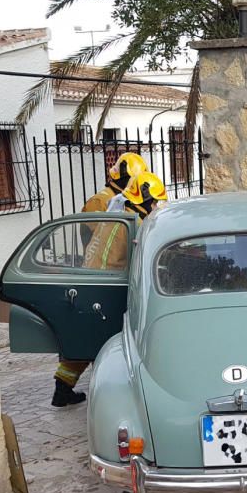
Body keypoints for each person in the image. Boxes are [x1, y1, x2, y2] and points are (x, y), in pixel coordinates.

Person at [52, 171, 168, 407]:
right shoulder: (136, 223)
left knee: (84, 338)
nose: (157, 206)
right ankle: (111, 395)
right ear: (145, 199)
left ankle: (62, 389)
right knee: (111, 341)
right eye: (156, 201)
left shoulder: (117, 214)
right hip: (105, 287)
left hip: (90, 280)